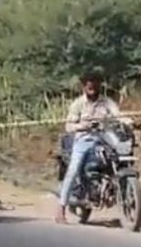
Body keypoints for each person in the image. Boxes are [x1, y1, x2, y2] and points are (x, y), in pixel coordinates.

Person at [55, 71, 129, 224]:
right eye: (89, 85)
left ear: (99, 85)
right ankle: (60, 210)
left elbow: (119, 116)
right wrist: (83, 125)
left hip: (104, 139)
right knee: (73, 169)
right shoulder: (78, 104)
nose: (92, 87)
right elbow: (69, 126)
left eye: (95, 84)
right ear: (84, 86)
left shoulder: (106, 102)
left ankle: (119, 191)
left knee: (121, 155)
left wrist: (131, 122)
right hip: (83, 140)